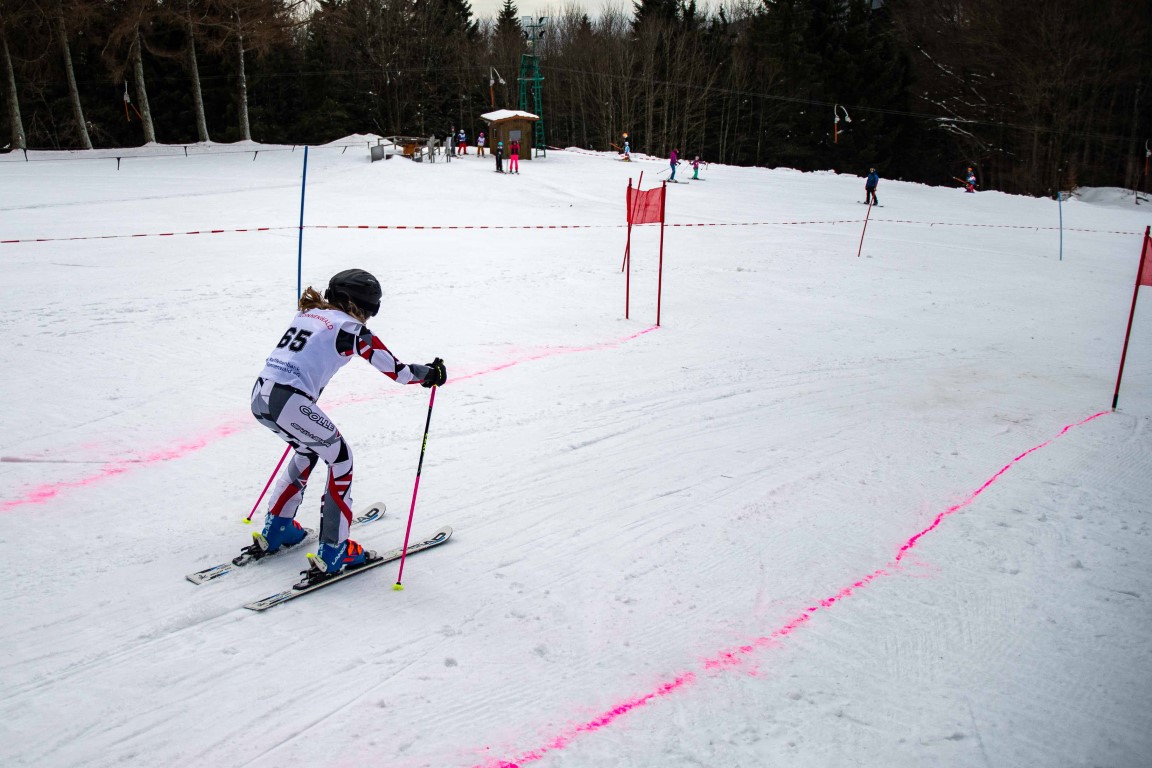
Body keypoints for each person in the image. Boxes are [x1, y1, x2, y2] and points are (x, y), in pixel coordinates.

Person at [247, 269, 447, 576]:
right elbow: (399, 372)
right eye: (368, 311)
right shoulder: (351, 329)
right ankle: (335, 550)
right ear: (357, 306)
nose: (367, 318)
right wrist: (429, 374)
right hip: (289, 401)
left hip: (260, 396)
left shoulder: (309, 313)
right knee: (341, 460)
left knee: (307, 450)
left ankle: (278, 528)